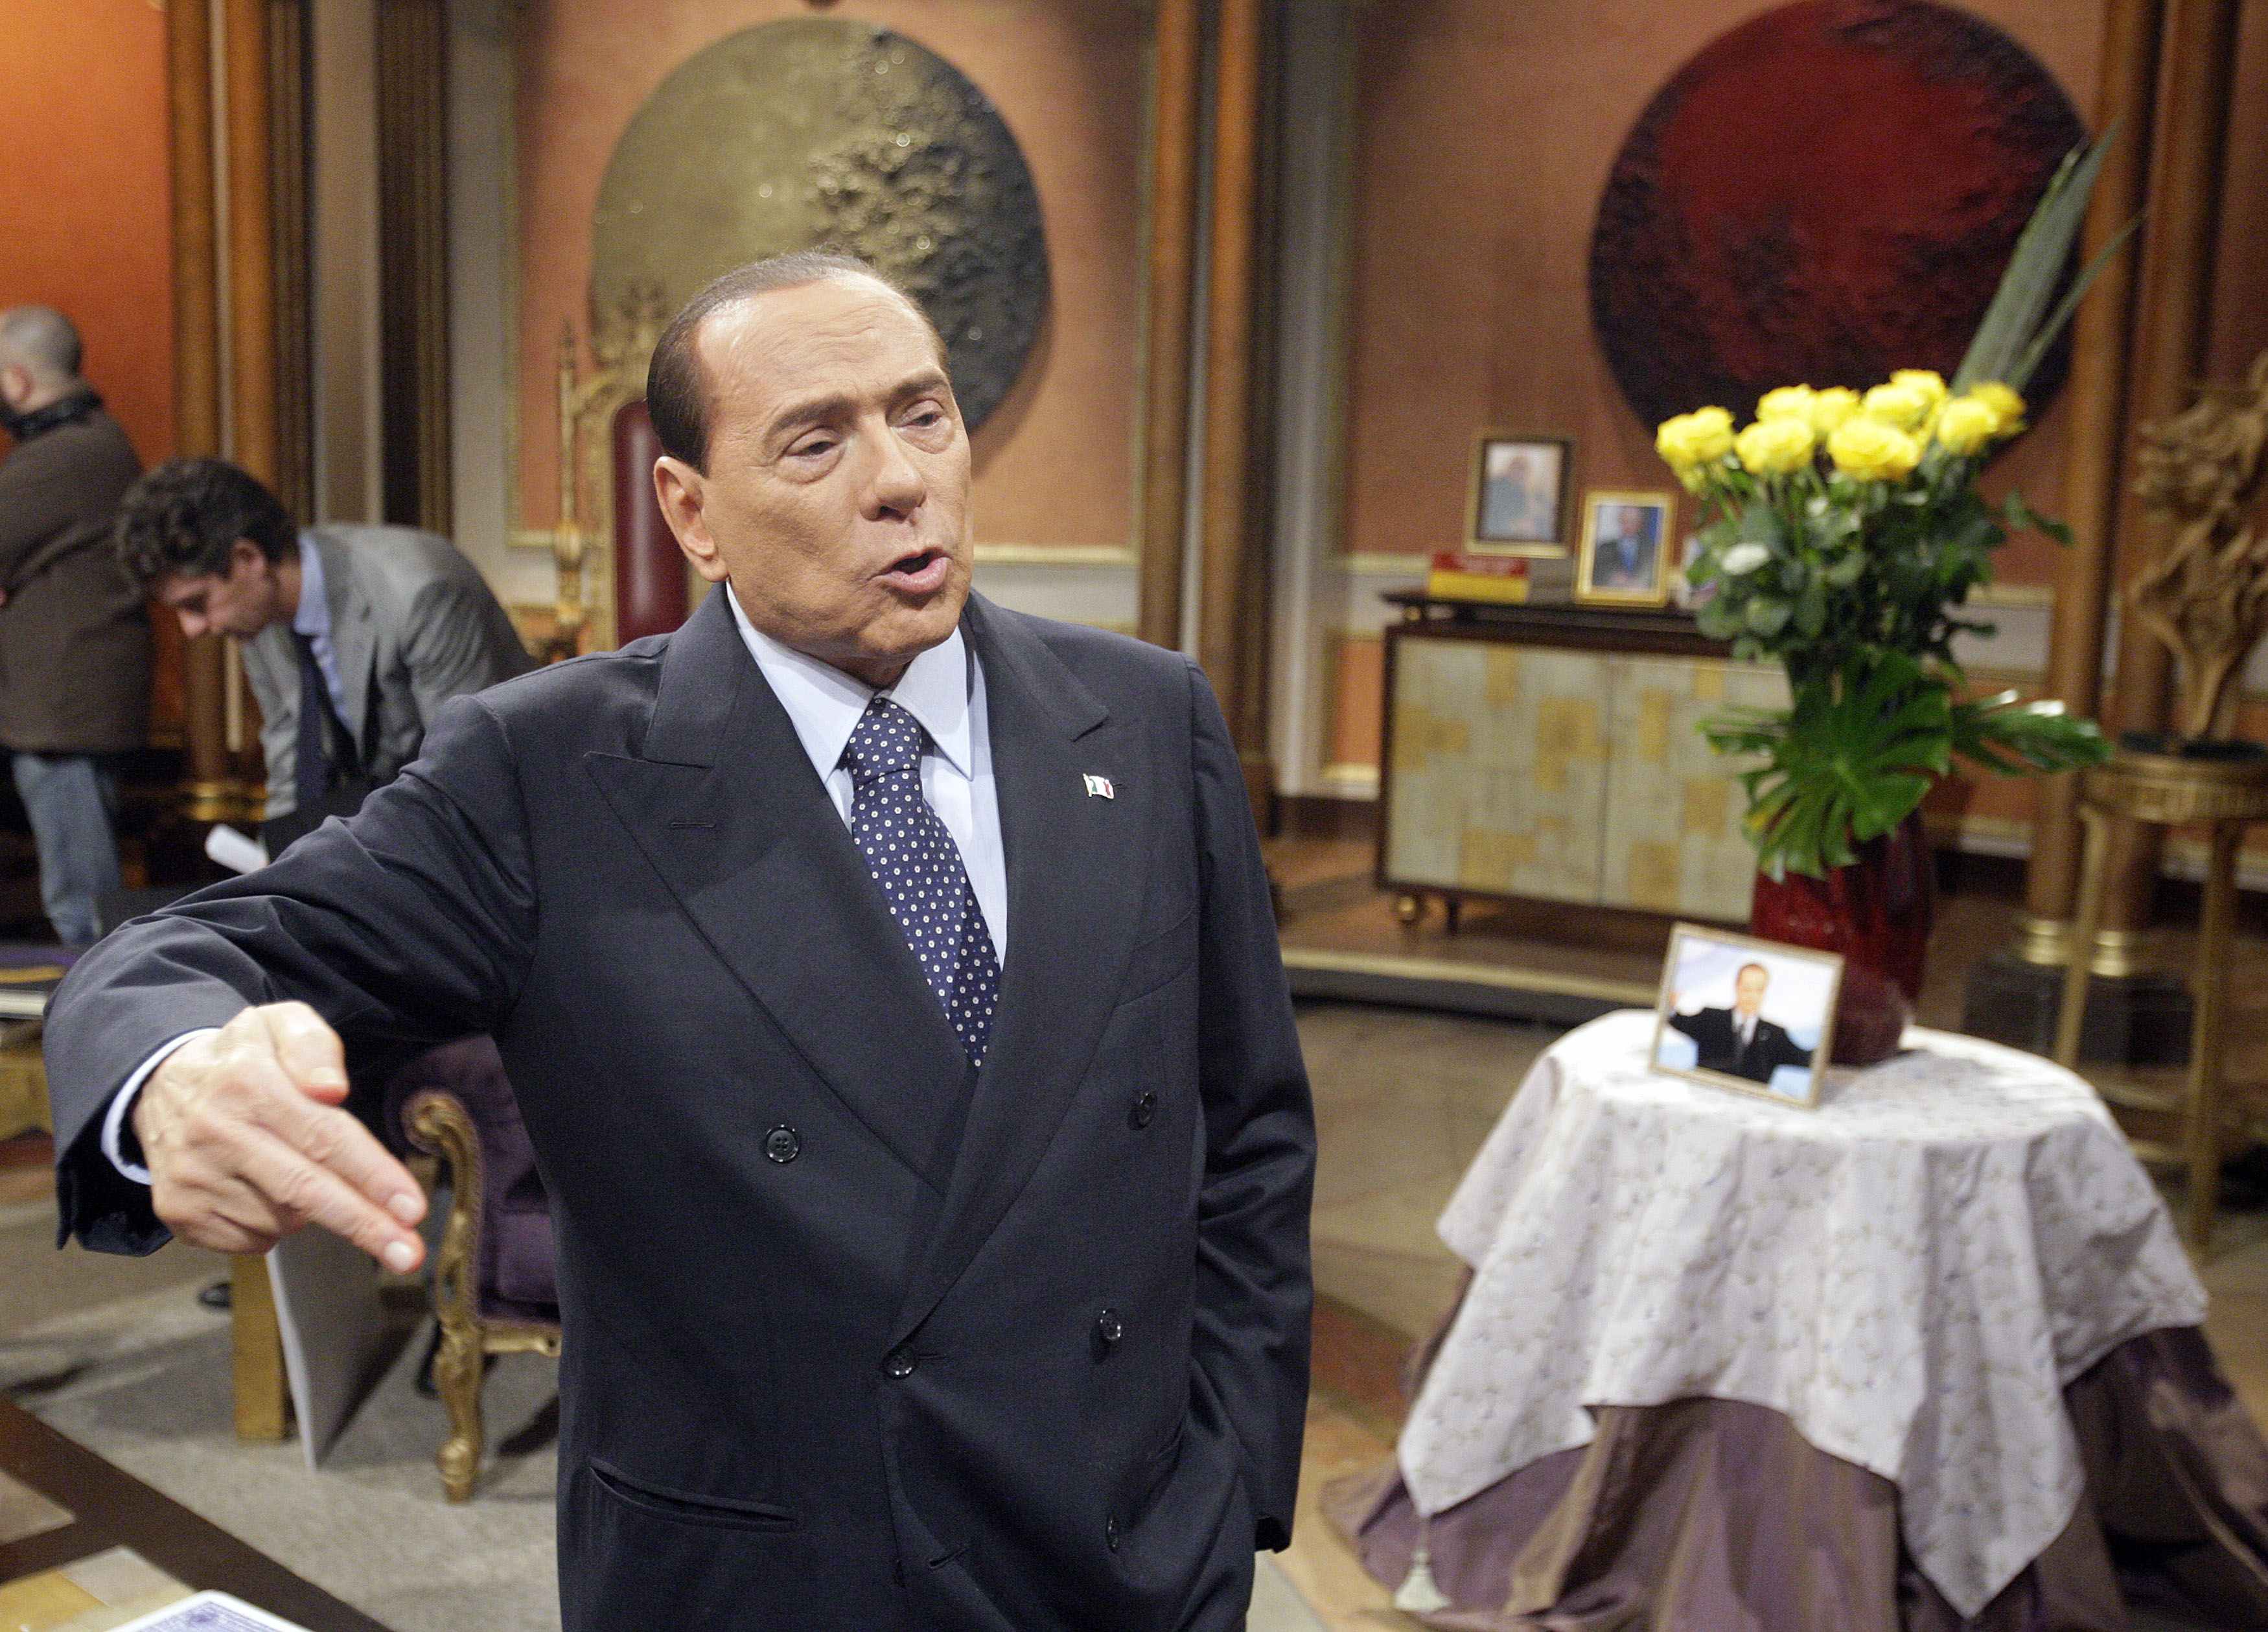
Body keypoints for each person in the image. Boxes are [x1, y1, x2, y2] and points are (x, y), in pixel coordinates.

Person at [47, 252, 1315, 1631]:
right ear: (692, 512)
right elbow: (182, 950)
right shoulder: (549, 769)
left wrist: (1231, 1481)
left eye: (924, 414)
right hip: (768, 1578)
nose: (900, 478)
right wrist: (167, 1071)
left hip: (1124, 1560)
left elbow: (1248, 1127)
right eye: (816, 442)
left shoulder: (1144, 716)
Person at [111, 458, 535, 854]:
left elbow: (465, 773)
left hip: (499, 832)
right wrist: (284, 865)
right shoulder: (257, 614)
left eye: (196, 603)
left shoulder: (419, 593)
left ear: (248, 559)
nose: (192, 629)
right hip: (393, 825)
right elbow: (289, 758)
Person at [0, 307, 151, 946]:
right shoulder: (95, 441)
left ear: (17, 380)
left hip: (63, 708)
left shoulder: (59, 458)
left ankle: (98, 997)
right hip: (70, 701)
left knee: (80, 901)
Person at [1667, 961, 1812, 1085]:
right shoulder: (1710, 1018)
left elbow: (1807, 1060)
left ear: (1765, 992)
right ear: (1737, 987)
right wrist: (1670, 1002)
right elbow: (1676, 1020)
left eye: (1758, 990)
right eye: (1747, 989)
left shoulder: (1776, 1035)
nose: (1751, 996)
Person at [1591, 503, 1659, 590]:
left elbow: (1654, 579)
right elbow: (1596, 577)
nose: (1629, 525)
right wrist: (1612, 578)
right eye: (1626, 521)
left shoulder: (1651, 549)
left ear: (1640, 523)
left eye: (1633, 521)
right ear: (1620, 521)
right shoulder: (1605, 548)